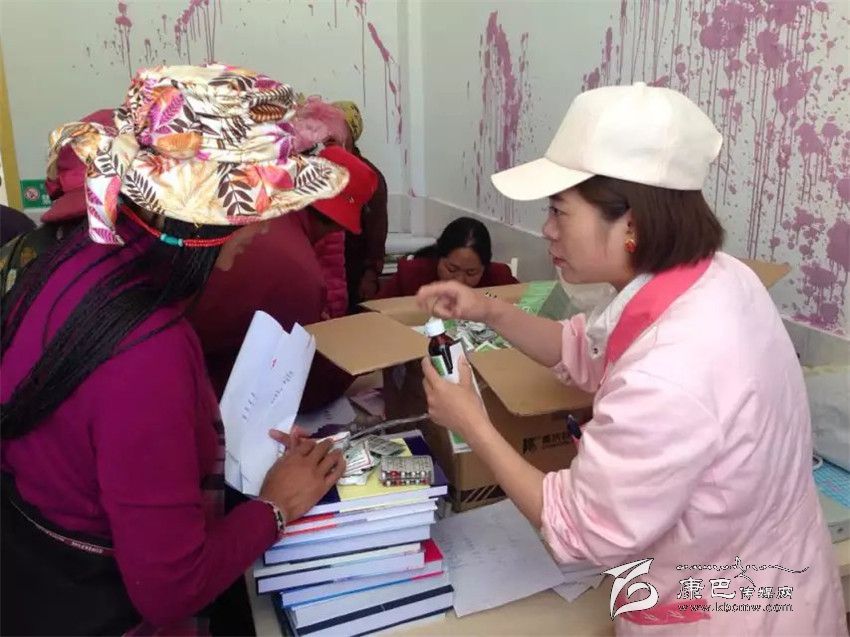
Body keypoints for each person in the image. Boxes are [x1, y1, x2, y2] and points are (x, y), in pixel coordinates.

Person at [416, 82, 846, 635]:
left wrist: (471, 421)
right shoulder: (718, 278)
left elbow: (578, 531)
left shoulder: (671, 370)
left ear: (632, 225)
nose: (547, 230)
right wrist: (488, 310)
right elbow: (585, 349)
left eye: (560, 211)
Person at [0, 63, 349, 635]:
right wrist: (276, 507)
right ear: (206, 215)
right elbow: (172, 589)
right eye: (258, 204)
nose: (265, 227)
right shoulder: (147, 353)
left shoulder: (77, 260)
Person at [191, 143, 378, 402]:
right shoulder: (300, 274)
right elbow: (293, 383)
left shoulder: (256, 209)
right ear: (338, 225)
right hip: (204, 386)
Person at [333, 100, 389, 311]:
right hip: (327, 267)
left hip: (355, 270)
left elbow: (377, 231)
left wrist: (371, 275)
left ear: (352, 133)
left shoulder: (369, 176)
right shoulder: (319, 169)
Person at [377, 216, 518, 298]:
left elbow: (527, 307)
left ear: (484, 267)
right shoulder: (412, 274)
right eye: (451, 269)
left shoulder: (499, 278)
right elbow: (374, 314)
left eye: (471, 273)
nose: (459, 281)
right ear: (439, 257)